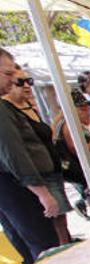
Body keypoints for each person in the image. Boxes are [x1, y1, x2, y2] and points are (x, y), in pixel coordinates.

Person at [0, 49, 60, 264]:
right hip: (14, 190)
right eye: (7, 74)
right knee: (44, 246)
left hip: (9, 193)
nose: (13, 79)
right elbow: (14, 153)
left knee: (28, 245)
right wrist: (43, 193)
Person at [3, 66, 73, 244]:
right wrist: (41, 192)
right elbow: (15, 153)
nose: (26, 85)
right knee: (50, 231)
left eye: (29, 81)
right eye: (20, 81)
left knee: (61, 224)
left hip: (52, 173)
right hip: (37, 180)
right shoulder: (7, 112)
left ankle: (65, 251)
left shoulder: (29, 108)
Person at [54, 89, 90, 237]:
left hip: (85, 174)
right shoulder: (68, 125)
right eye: (83, 108)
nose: (88, 111)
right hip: (85, 175)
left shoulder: (67, 123)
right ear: (72, 109)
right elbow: (77, 150)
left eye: (87, 107)